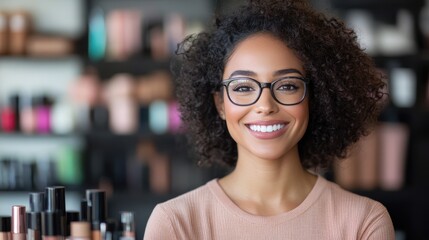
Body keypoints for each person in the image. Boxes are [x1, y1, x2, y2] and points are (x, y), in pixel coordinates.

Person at [144, 0, 395, 239]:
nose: (265, 105)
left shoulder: (364, 222)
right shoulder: (175, 223)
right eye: (243, 88)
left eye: (287, 86)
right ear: (220, 104)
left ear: (314, 97)